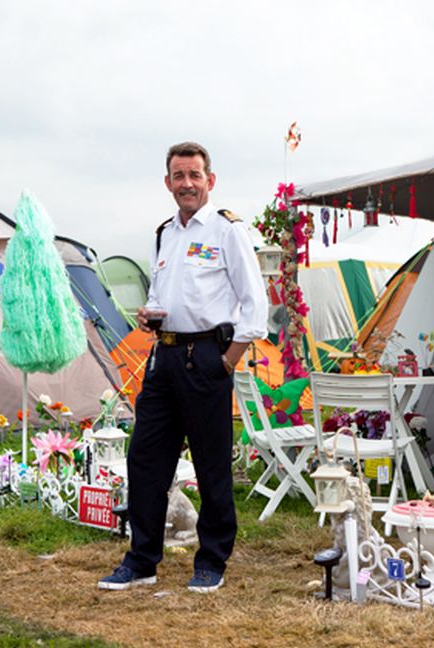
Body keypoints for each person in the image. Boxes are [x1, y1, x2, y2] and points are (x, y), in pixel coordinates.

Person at [98, 141, 268, 593]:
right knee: (145, 460)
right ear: (167, 182)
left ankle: (211, 561)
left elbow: (255, 304)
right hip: (164, 357)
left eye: (195, 175)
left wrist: (227, 362)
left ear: (210, 180)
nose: (187, 183)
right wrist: (149, 313)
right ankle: (142, 561)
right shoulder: (164, 233)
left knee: (212, 465)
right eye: (179, 176)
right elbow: (161, 294)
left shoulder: (228, 231)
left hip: (207, 357)